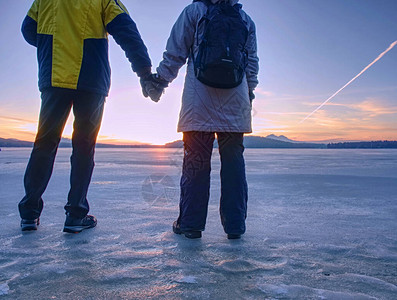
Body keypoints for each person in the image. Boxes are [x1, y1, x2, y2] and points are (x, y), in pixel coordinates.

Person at [19, 0, 153, 233]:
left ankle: (29, 213)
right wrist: (144, 72)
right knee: (83, 147)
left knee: (45, 144)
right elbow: (126, 30)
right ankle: (75, 214)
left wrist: (53, 47)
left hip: (54, 77)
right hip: (91, 81)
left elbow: (28, 29)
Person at [151, 0, 259, 239]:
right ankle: (235, 226)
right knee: (233, 165)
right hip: (235, 102)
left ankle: (190, 225)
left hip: (198, 102)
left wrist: (160, 81)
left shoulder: (194, 12)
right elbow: (251, 63)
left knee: (196, 163)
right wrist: (248, 91)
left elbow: (175, 52)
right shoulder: (245, 20)